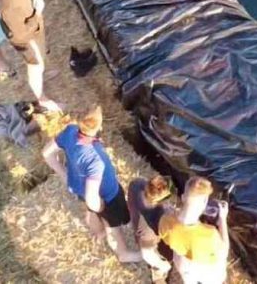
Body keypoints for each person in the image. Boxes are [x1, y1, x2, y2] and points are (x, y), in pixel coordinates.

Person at [43, 106, 142, 264]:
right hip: (106, 196)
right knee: (113, 227)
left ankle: (99, 232)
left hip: (80, 188)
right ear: (99, 127)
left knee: (92, 213)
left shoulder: (70, 131)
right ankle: (125, 253)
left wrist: (65, 176)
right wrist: (101, 208)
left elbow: (47, 153)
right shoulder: (94, 161)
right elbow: (91, 198)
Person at [0, 0, 59, 111]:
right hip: (27, 40)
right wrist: (38, 11)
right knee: (35, 67)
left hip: (34, 34)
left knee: (40, 61)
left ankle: (44, 75)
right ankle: (42, 99)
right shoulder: (8, 6)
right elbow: (21, 33)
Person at [158, 176, 230, 284]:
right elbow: (224, 251)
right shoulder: (210, 234)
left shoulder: (166, 221)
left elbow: (164, 235)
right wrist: (222, 219)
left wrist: (173, 212)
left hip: (184, 265)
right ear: (204, 204)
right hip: (206, 271)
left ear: (182, 197)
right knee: (219, 271)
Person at [128, 175, 176, 283]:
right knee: (157, 257)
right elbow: (147, 253)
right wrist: (163, 266)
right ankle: (158, 276)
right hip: (149, 238)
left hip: (136, 221)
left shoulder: (137, 184)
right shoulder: (155, 219)